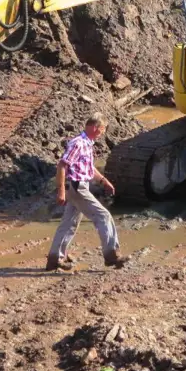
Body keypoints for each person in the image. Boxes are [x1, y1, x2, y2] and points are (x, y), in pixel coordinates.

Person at [47, 113, 129, 272]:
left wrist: (104, 181)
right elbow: (62, 165)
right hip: (77, 187)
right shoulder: (78, 143)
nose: (103, 133)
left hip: (78, 187)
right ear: (94, 127)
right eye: (102, 129)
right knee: (103, 216)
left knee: (69, 223)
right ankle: (112, 255)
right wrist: (61, 191)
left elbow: (89, 169)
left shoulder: (87, 144)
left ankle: (54, 258)